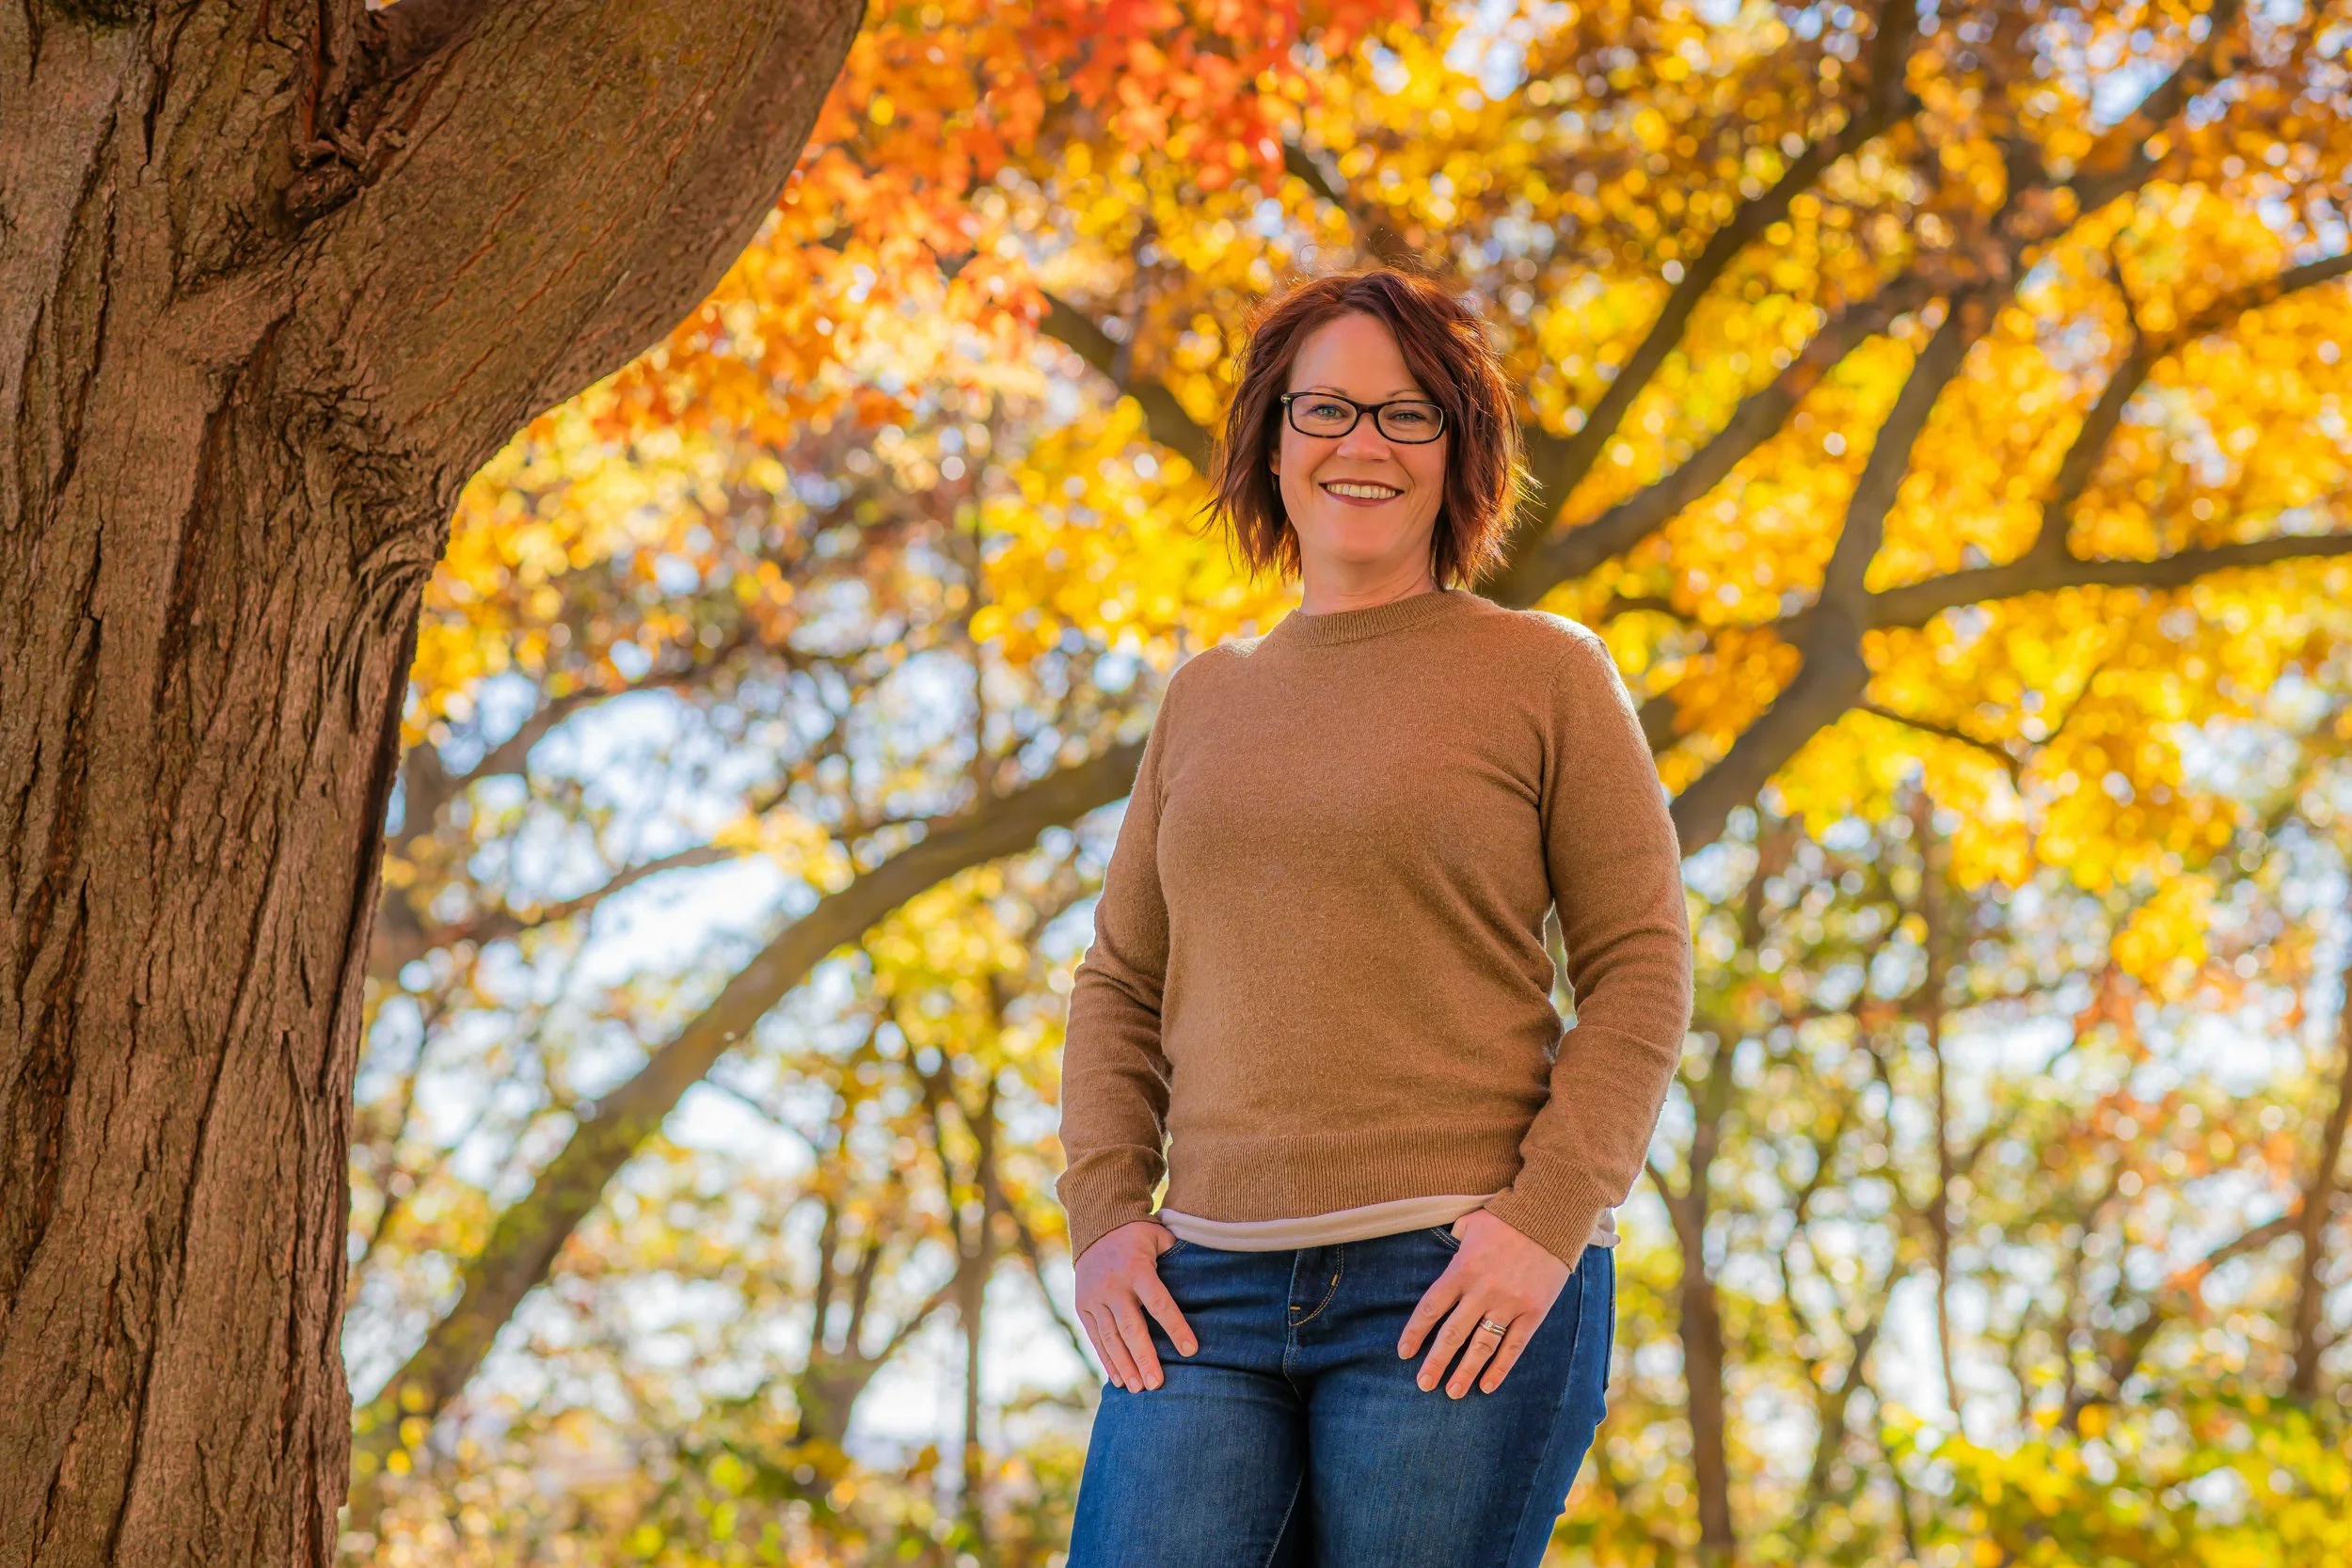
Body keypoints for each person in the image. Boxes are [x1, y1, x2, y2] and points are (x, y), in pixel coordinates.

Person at [1055, 266, 1693, 1566]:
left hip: (1454, 1281)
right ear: (1272, 440)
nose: (1363, 443)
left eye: (1409, 415)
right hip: (1203, 1296)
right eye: (1326, 409)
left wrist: (1544, 1225)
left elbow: (1640, 965)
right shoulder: (1205, 696)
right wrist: (1105, 1214)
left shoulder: (1545, 671)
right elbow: (1122, 981)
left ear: (1461, 453)